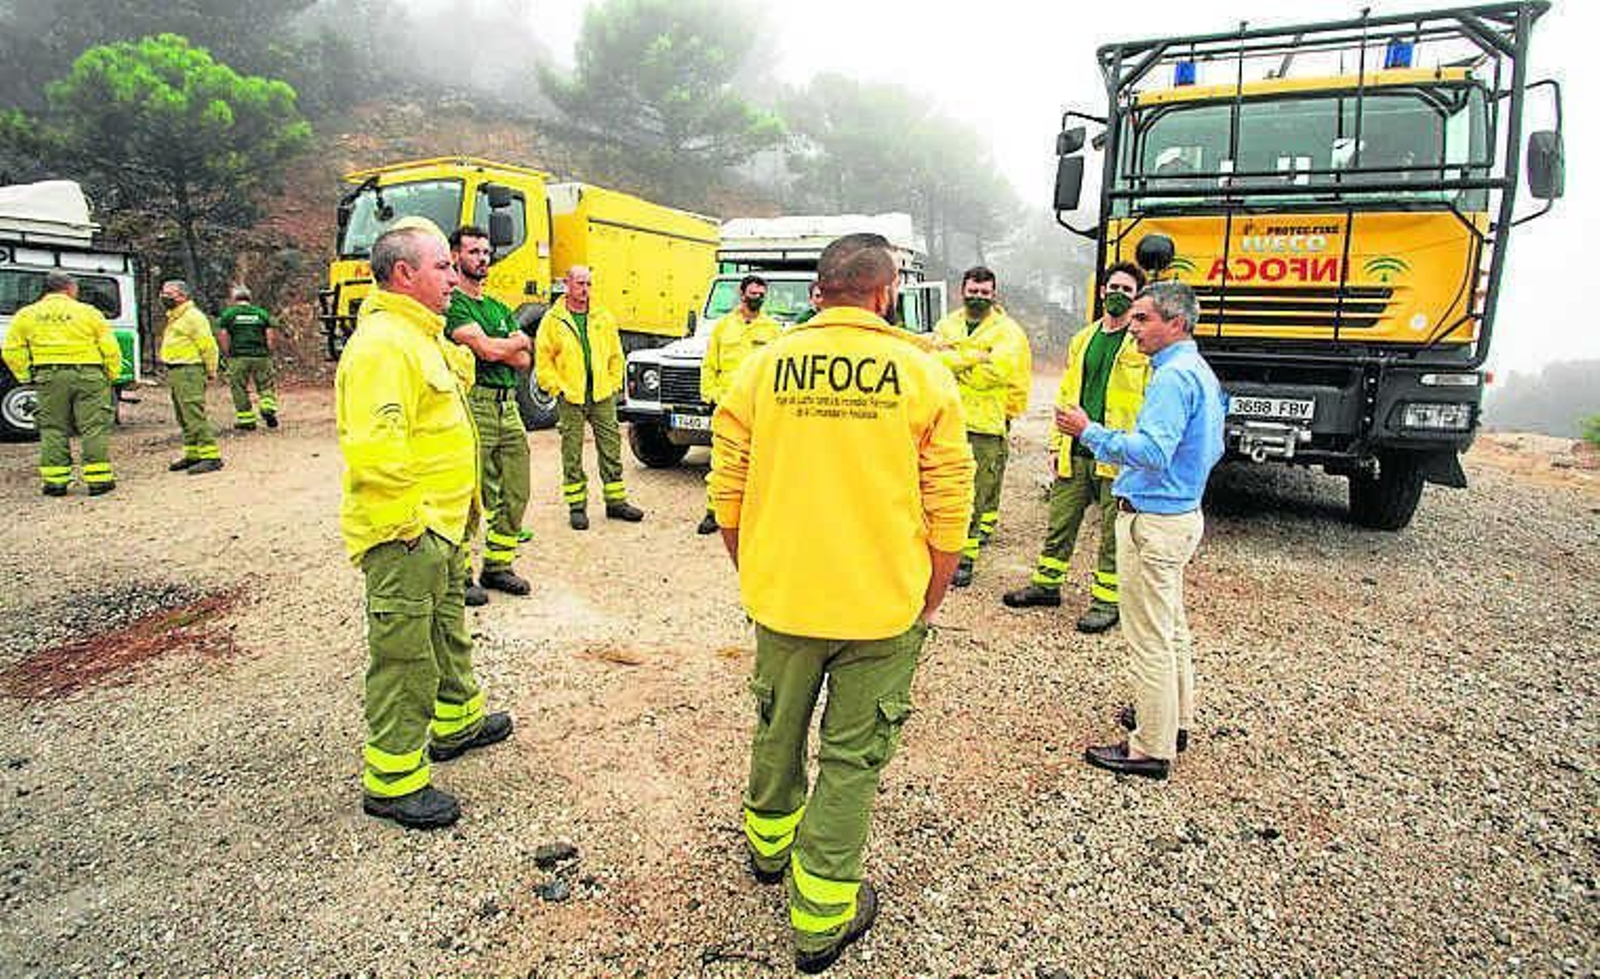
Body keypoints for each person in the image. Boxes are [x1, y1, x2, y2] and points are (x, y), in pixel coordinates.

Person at [710, 233, 975, 973]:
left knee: (776, 727)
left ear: (818, 290)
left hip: (784, 598)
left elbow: (726, 485)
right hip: (882, 607)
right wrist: (930, 596)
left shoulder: (763, 367)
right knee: (852, 761)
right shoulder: (923, 376)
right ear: (887, 293)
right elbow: (951, 501)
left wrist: (754, 565)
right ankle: (821, 916)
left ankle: (768, 851)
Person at [336, 220, 514, 830]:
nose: (453, 277)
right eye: (442, 267)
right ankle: (393, 780)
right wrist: (409, 530)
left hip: (439, 530)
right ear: (404, 274)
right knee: (404, 656)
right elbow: (377, 454)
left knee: (445, 632)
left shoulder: (421, 336)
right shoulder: (383, 344)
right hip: (407, 533)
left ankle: (458, 720)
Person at [1057, 280, 1225, 780]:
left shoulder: (1173, 378)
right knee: (1171, 629)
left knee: (1149, 637)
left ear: (1177, 323)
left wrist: (1090, 433)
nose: (1132, 330)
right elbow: (1213, 447)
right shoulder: (1197, 371)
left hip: (1154, 520)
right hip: (1179, 515)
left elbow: (1154, 451)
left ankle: (1149, 748)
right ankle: (1173, 721)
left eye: (1142, 320)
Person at [1003, 262, 1151, 633]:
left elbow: (1148, 399)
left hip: (1116, 454)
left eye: (1127, 290)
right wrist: (1057, 444)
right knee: (1060, 522)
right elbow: (1066, 394)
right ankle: (1046, 585)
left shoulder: (1140, 343)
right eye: (1113, 287)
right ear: (1102, 291)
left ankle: (1106, 602)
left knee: (1112, 534)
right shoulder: (1083, 338)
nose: (1118, 294)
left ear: (1136, 300)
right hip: (1076, 448)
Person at [446, 225, 536, 603]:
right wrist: (507, 343)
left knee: (517, 488)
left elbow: (524, 356)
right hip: (477, 402)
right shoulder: (455, 304)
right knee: (472, 491)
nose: (482, 258)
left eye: (485, 252)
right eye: (473, 252)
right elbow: (484, 350)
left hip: (508, 404)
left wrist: (503, 346)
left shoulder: (498, 307)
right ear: (455, 257)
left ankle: (498, 566)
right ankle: (462, 575)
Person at [929, 266, 1031, 588]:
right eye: (973, 291)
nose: (978, 297)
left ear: (994, 294)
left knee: (977, 491)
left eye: (984, 293)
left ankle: (965, 558)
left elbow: (997, 372)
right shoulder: (947, 324)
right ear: (962, 290)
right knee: (945, 487)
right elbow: (933, 361)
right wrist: (975, 358)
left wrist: (955, 362)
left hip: (986, 424)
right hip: (947, 420)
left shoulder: (1008, 331)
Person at [534, 265, 643, 529]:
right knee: (571, 452)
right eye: (580, 284)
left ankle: (615, 502)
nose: (585, 290)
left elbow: (616, 353)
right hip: (570, 396)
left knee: (611, 448)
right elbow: (543, 357)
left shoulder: (602, 316)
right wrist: (554, 387)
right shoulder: (553, 319)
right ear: (568, 285)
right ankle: (577, 507)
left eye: (589, 284)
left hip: (602, 394)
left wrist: (615, 382)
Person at [1, 270, 121, 496]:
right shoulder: (88, 312)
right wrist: (111, 374)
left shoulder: (26, 314)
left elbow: (11, 349)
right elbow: (109, 346)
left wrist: (26, 375)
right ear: (69, 288)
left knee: (52, 428)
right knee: (93, 427)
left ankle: (55, 482)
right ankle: (99, 480)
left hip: (49, 376)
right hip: (89, 374)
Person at [696, 274, 780, 535]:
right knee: (722, 461)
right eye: (753, 293)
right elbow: (710, 364)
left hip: (759, 406)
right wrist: (709, 396)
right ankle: (715, 512)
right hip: (727, 405)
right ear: (741, 293)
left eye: (761, 294)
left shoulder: (772, 330)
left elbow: (776, 369)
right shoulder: (722, 327)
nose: (758, 298)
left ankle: (756, 514)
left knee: (760, 461)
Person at [159, 279, 223, 474]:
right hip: (177, 370)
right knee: (183, 415)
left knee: (193, 413)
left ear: (183, 296)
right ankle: (193, 454)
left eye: (170, 293)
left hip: (189, 370)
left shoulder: (193, 317)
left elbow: (208, 345)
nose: (164, 296)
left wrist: (211, 370)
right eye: (163, 292)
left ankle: (211, 456)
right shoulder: (176, 316)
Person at [216, 285, 283, 431]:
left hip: (238, 357)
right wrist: (269, 351)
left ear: (234, 299)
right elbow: (271, 335)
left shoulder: (229, 314)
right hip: (261, 356)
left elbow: (223, 336)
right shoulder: (261, 313)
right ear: (249, 298)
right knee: (265, 384)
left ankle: (246, 420)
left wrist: (227, 353)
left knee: (239, 387)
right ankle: (267, 408)